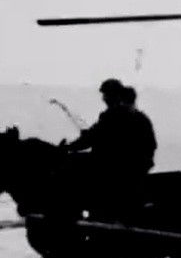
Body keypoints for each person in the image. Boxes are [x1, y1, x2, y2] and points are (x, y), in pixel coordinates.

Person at [65, 79, 158, 224]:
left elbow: (91, 139)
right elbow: (151, 146)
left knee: (73, 166)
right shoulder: (141, 118)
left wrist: (68, 147)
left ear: (114, 96)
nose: (104, 99)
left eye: (106, 95)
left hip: (111, 171)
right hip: (136, 171)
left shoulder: (111, 116)